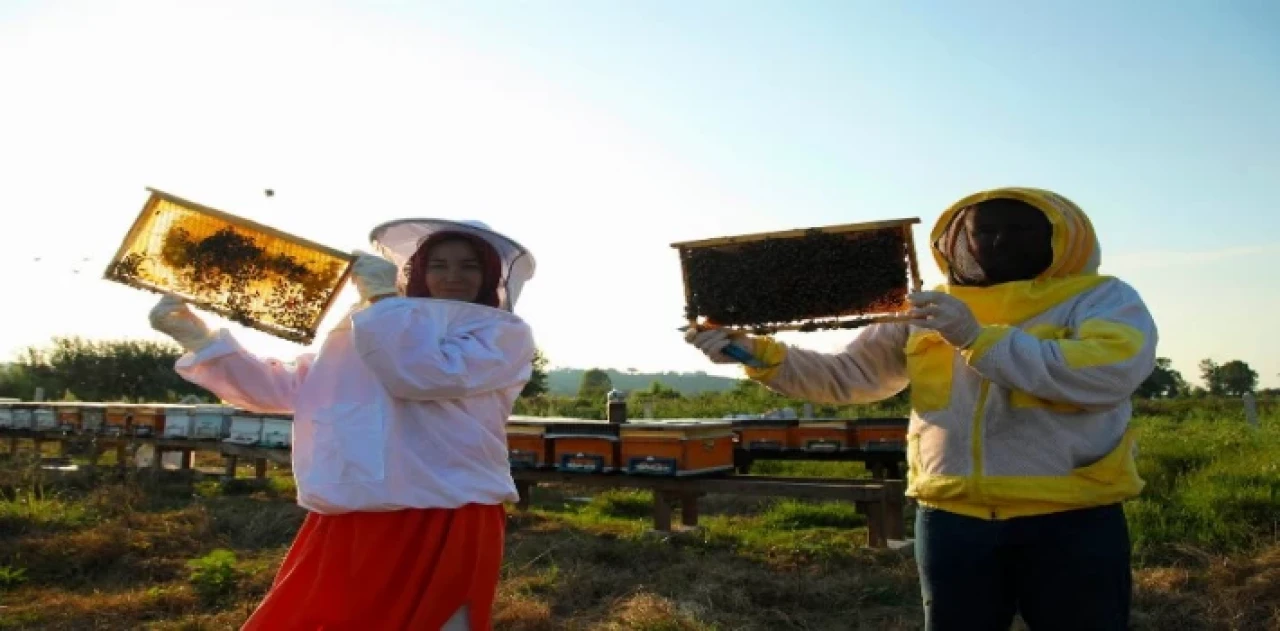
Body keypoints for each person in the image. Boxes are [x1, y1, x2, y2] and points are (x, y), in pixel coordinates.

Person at [686, 187, 1156, 630]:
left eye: (1020, 230)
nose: (998, 241)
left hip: (1070, 515)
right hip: (951, 517)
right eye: (984, 230)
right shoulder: (931, 307)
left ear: (1059, 237)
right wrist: (753, 353)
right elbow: (850, 375)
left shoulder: (1101, 300)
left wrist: (976, 338)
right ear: (961, 239)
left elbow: (1106, 374)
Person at [148, 219, 537, 631]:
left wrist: (385, 302)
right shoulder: (368, 321)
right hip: (351, 505)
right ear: (418, 270)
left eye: (469, 266)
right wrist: (202, 341)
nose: (453, 277)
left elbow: (425, 375)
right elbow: (290, 389)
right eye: (438, 265)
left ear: (491, 275)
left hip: (448, 507)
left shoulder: (501, 332)